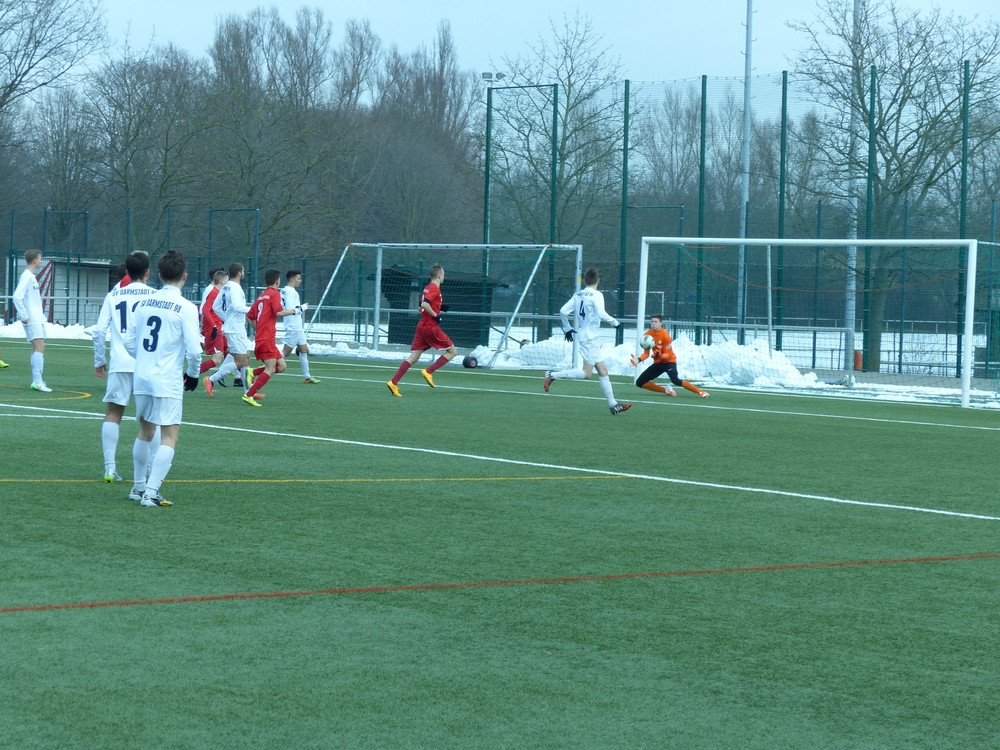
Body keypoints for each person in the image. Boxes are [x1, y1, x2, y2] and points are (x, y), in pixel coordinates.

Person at [123, 250, 202, 507]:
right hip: (166, 380)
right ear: (185, 277)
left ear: (158, 274)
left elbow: (130, 341)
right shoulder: (187, 308)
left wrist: (145, 359)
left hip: (143, 377)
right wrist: (192, 374)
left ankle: (138, 487)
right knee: (170, 436)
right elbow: (194, 349)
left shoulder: (145, 302)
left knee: (145, 432)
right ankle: (151, 491)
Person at [93, 252, 159, 482]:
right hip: (147, 364)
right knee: (151, 418)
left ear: (127, 272)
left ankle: (110, 468)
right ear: (148, 272)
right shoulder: (156, 296)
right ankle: (150, 470)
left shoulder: (114, 295)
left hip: (120, 362)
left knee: (113, 412)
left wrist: (99, 359)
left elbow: (99, 331)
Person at [543, 267, 632, 416]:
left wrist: (567, 328)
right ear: (598, 281)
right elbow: (602, 314)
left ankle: (613, 404)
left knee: (603, 371)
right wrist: (615, 323)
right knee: (586, 374)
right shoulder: (597, 295)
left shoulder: (578, 294)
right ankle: (552, 375)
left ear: (584, 281)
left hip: (589, 337)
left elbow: (563, 311)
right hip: (590, 338)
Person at [386, 263, 457, 397]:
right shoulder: (435, 288)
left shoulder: (427, 289)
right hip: (431, 328)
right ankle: (429, 371)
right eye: (444, 275)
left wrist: (440, 308)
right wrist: (436, 316)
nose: (444, 278)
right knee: (453, 351)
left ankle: (393, 382)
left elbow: (422, 307)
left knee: (414, 357)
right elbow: (425, 304)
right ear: (439, 275)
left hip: (422, 327)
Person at [242, 268, 302, 407]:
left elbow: (249, 316)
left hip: (263, 338)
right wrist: (295, 310)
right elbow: (279, 313)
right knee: (270, 368)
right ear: (277, 281)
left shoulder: (262, 296)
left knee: (281, 366)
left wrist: (258, 329)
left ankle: (252, 372)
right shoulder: (274, 294)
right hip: (266, 339)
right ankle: (248, 395)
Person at [632, 314, 709, 398]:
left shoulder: (665, 335)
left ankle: (700, 392)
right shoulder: (647, 335)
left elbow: (668, 355)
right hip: (658, 363)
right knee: (639, 382)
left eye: (656, 322)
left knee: (675, 380)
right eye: (652, 322)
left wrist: (660, 355)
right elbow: (646, 353)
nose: (653, 323)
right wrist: (638, 359)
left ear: (661, 323)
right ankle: (666, 390)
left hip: (669, 362)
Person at [208, 262, 251, 395]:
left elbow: (216, 307)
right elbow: (238, 307)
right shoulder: (235, 288)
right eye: (243, 271)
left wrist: (227, 318)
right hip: (235, 329)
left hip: (234, 327)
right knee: (241, 361)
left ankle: (249, 391)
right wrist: (253, 310)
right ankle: (211, 379)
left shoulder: (226, 287)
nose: (243, 273)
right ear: (239, 273)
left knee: (246, 357)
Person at [12, 249, 50, 391]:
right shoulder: (27, 276)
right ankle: (37, 381)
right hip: (31, 319)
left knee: (37, 347)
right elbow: (17, 296)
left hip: (36, 317)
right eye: (40, 259)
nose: (41, 261)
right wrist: (24, 315)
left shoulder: (31, 276)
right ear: (35, 261)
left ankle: (37, 380)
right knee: (40, 346)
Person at [199, 268, 236, 386]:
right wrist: (214, 326)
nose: (228, 282)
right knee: (216, 359)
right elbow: (205, 310)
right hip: (215, 329)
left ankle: (226, 376)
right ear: (222, 282)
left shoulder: (219, 293)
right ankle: (188, 376)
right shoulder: (213, 292)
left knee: (235, 351)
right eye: (227, 280)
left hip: (220, 328)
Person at [280, 269, 318, 384]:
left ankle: (307, 377)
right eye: (298, 278)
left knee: (304, 349)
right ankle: (259, 370)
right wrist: (304, 307)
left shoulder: (284, 291)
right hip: (293, 325)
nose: (300, 281)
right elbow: (291, 309)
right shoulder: (290, 292)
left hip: (297, 325)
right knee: (285, 352)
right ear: (292, 279)